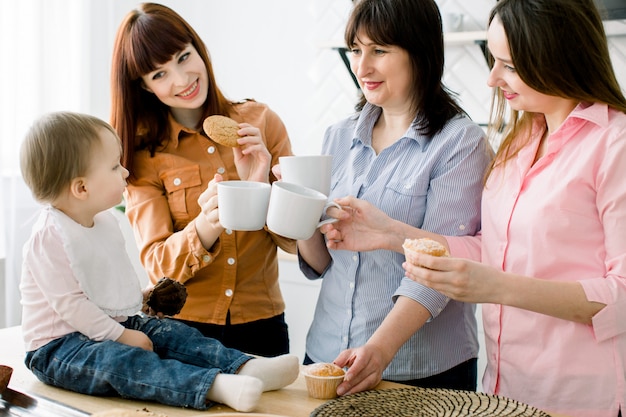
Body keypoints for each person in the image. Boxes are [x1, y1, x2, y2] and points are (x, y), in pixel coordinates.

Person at [324, 0, 626, 416]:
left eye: (510, 65)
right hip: (505, 388)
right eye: (492, 59)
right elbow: (494, 250)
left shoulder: (615, 145)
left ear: (558, 55)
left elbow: (621, 295)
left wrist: (496, 287)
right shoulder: (520, 142)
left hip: (583, 398)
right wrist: (392, 234)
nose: (491, 79)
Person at [18, 111, 299, 412]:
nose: (125, 172)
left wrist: (137, 303)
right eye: (115, 166)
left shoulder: (101, 223)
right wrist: (123, 336)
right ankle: (214, 386)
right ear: (81, 188)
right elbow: (72, 306)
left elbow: (103, 285)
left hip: (109, 325)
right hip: (59, 347)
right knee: (125, 364)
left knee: (173, 334)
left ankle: (243, 367)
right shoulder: (49, 237)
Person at [290, 0, 494, 396]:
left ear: (420, 51)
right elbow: (320, 263)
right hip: (326, 357)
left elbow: (443, 269)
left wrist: (379, 350)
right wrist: (296, 208)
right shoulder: (339, 135)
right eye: (356, 50)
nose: (361, 67)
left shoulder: (459, 143)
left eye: (379, 50)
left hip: (422, 370)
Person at [110, 3, 296, 357]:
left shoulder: (261, 123)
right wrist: (206, 225)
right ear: (145, 87)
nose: (181, 80)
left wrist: (260, 186)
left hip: (263, 325)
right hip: (182, 330)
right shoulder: (142, 155)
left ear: (198, 49)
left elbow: (295, 241)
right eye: (159, 74)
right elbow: (157, 264)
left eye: (182, 57)